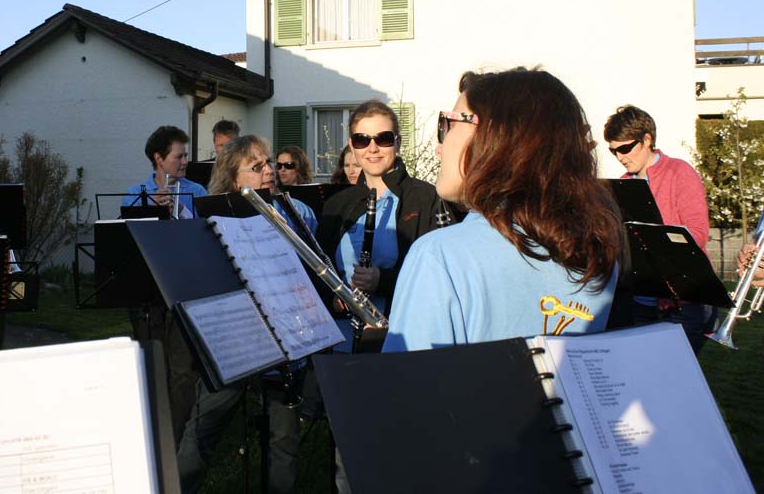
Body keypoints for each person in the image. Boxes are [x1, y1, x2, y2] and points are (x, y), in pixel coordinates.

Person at [383, 68, 619, 353]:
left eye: (449, 124)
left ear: (494, 137)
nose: (439, 147)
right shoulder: (594, 253)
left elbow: (405, 389)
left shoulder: (439, 256)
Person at [179, 135, 314, 494]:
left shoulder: (294, 212)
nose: (269, 170)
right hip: (234, 339)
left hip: (285, 339)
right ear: (233, 178)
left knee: (283, 439)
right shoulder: (210, 218)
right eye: (257, 167)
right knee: (203, 429)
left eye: (269, 163)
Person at [317, 100, 452, 320]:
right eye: (362, 140)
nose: (373, 148)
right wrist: (335, 300)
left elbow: (440, 277)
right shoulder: (337, 203)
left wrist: (382, 280)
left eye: (384, 139)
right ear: (352, 146)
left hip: (402, 332)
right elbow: (317, 273)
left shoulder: (428, 198)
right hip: (345, 337)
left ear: (397, 143)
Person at [604, 104, 714, 353]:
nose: (621, 157)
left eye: (625, 148)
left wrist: (655, 242)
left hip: (685, 300)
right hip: (641, 300)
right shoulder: (622, 184)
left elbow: (697, 232)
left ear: (647, 139)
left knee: (677, 379)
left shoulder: (679, 172)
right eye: (614, 152)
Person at [122, 125, 207, 217]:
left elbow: (209, 229)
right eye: (179, 157)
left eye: (185, 156)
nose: (185, 162)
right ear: (159, 159)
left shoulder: (198, 191)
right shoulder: (134, 194)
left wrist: (182, 211)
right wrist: (151, 211)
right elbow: (130, 230)